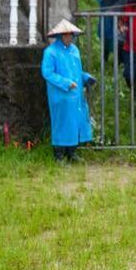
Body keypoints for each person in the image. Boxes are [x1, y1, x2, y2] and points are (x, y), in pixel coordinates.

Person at [41, 19, 96, 163]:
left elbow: (77, 71)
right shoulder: (51, 52)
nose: (69, 37)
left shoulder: (74, 50)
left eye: (71, 35)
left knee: (75, 123)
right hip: (60, 95)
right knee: (61, 122)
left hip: (76, 94)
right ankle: (58, 155)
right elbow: (47, 73)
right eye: (66, 35)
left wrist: (86, 77)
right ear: (60, 36)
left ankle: (72, 153)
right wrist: (65, 83)